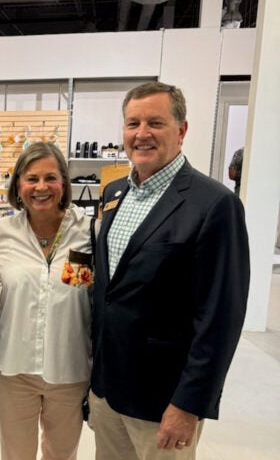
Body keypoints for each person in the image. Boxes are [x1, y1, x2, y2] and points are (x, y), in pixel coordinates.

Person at [89, 81, 250, 460]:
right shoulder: (113, 194)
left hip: (163, 402)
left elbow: (220, 317)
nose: (141, 134)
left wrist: (190, 404)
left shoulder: (214, 204)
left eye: (155, 123)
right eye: (132, 124)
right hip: (107, 391)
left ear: (181, 130)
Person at [0, 141, 94, 460]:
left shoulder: (88, 231)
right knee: (15, 454)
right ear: (18, 186)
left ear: (64, 183)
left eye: (51, 178)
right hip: (14, 369)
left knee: (62, 454)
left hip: (70, 367)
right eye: (32, 178)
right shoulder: (2, 233)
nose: (41, 187)